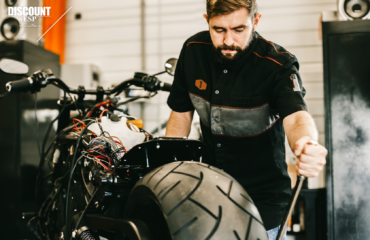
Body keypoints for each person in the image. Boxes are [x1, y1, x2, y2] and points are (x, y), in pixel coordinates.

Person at [165, 0, 328, 239]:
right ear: (206, 20)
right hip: (208, 194)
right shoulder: (192, 50)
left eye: (239, 29)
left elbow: (295, 117)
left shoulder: (278, 64)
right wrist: (168, 173)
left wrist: (306, 143)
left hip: (263, 203)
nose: (228, 41)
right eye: (218, 30)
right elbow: (180, 116)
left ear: (256, 20)